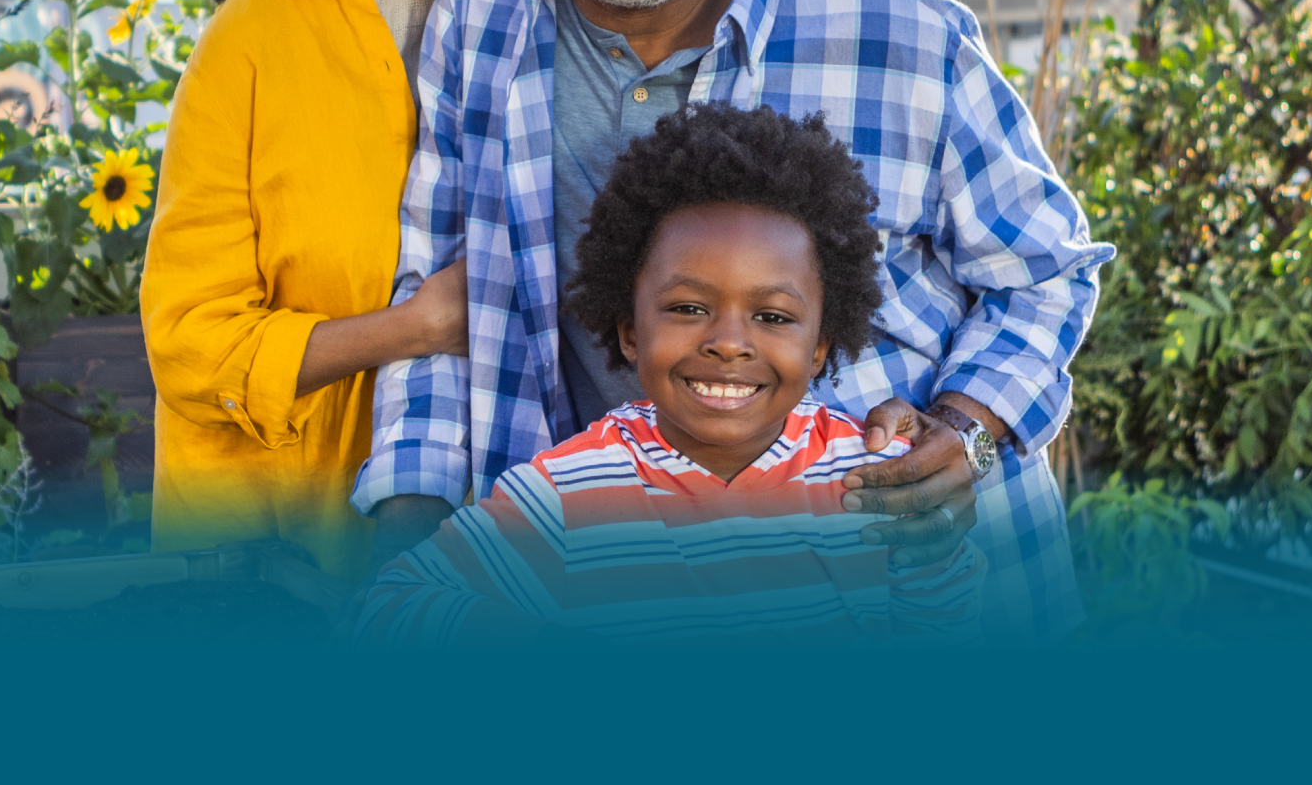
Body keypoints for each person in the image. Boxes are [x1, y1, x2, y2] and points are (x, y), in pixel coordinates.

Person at [352, 0, 1113, 642]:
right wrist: (410, 537)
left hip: (918, 588)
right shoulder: (485, 14)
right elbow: (443, 280)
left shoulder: (901, 35)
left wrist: (969, 429)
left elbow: (1044, 272)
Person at [140, 0, 532, 579]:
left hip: (499, 549)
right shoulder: (255, 35)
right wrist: (412, 328)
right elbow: (189, 342)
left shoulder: (542, 2)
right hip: (273, 553)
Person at [356, 105, 988, 647]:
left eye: (772, 315)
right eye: (688, 308)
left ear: (821, 347)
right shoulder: (572, 488)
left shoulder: (874, 476)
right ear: (630, 331)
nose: (727, 343)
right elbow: (391, 608)